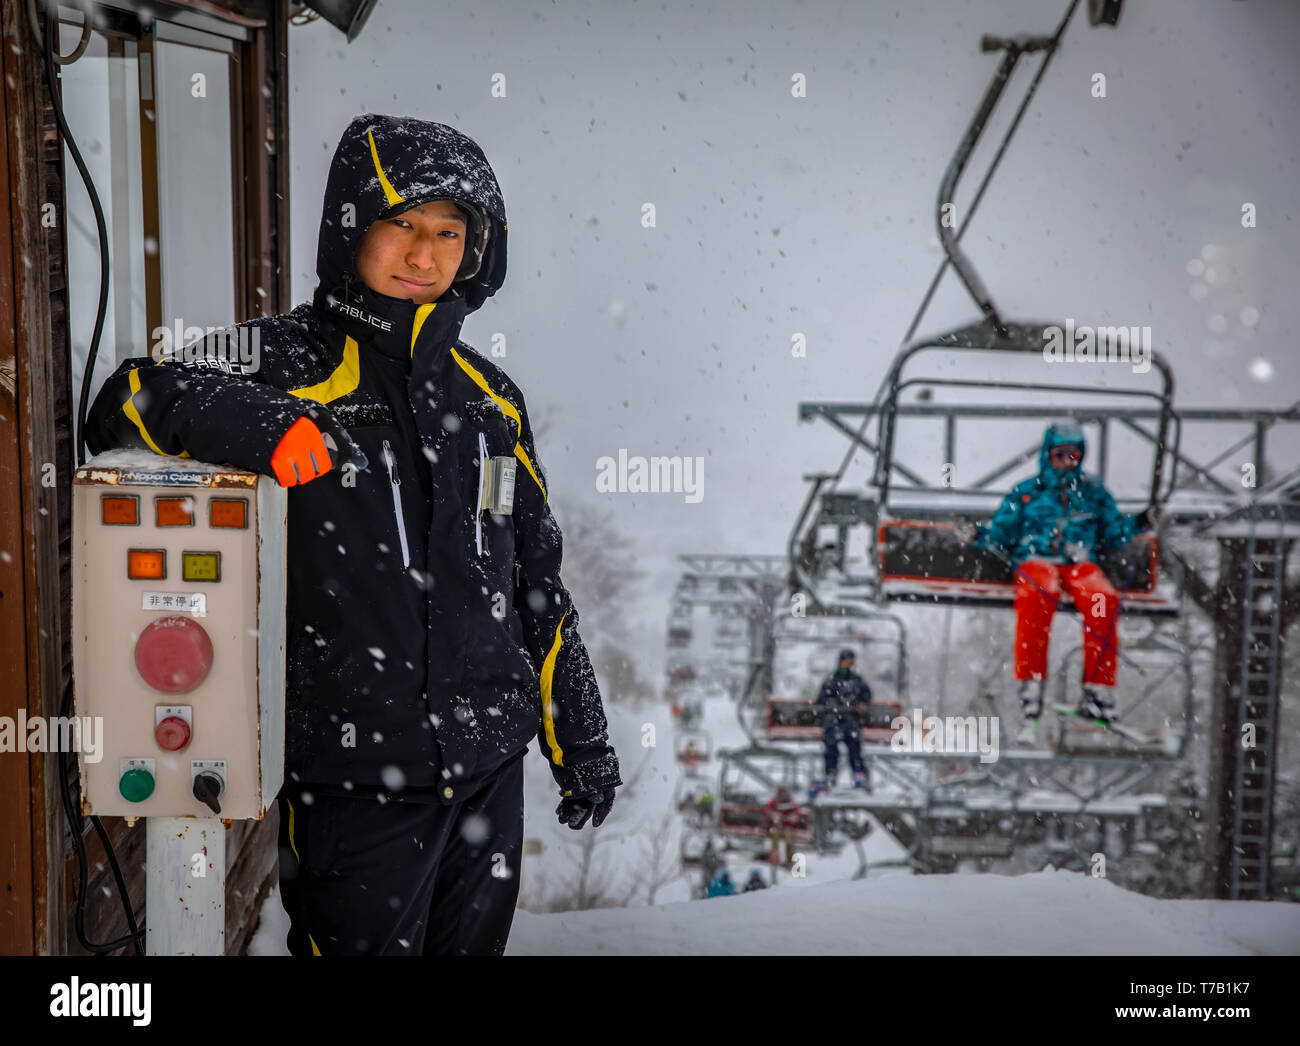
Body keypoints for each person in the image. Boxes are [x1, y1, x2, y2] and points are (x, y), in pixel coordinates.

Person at [84, 114, 622, 956]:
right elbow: (126, 397)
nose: (425, 254)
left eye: (449, 232)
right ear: (352, 230)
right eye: (401, 224)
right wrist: (256, 422)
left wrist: (579, 739)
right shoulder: (283, 358)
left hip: (487, 776)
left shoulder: (492, 400)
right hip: (353, 779)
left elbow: (538, 589)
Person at [964, 421, 1157, 728]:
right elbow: (1002, 535)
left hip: (1079, 562)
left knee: (1101, 599)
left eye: (1074, 455)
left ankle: (1098, 685)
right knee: (1039, 593)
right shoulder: (1027, 492)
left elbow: (1113, 532)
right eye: (1060, 454)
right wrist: (979, 534)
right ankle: (1032, 679)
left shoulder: (1092, 493)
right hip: (1036, 558)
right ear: (1047, 455)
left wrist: (1143, 522)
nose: (1068, 461)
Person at [812, 649, 871, 794]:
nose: (849, 664)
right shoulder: (832, 680)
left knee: (854, 746)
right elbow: (821, 699)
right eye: (847, 661)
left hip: (850, 720)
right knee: (831, 744)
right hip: (835, 720)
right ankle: (831, 773)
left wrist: (861, 705)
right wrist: (830, 705)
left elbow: (866, 697)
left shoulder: (857, 681)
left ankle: (858, 774)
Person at [763, 785, 803, 866]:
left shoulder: (790, 802)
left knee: (789, 838)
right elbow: (768, 809)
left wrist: (793, 817)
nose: (782, 795)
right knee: (774, 834)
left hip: (788, 826)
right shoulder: (774, 802)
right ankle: (775, 855)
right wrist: (773, 815)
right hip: (777, 826)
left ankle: (790, 857)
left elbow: (797, 811)